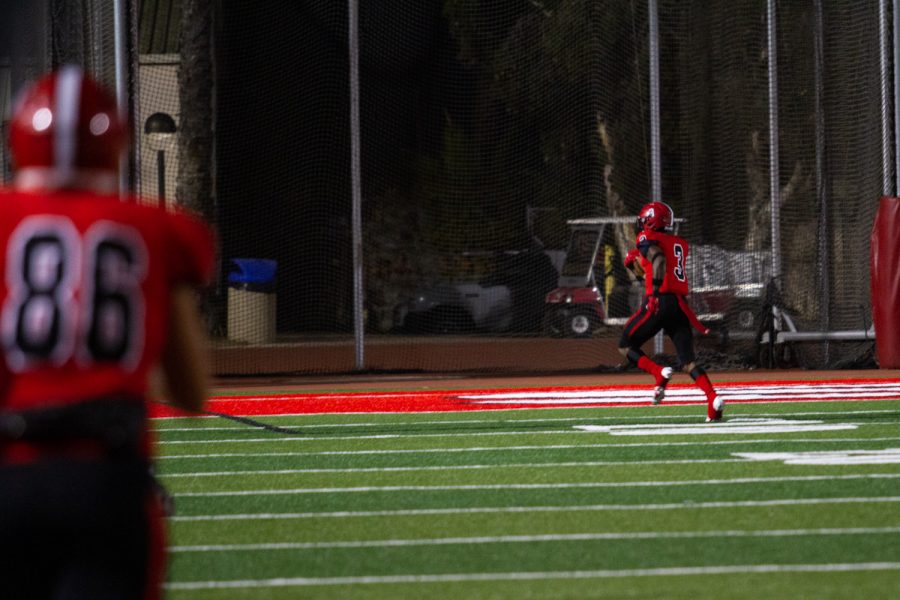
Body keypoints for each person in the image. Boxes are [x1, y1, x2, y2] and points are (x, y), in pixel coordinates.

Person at [0, 66, 214, 598]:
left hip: (12, 478)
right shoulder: (156, 228)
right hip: (107, 479)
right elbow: (191, 394)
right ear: (116, 146)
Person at [618, 201, 723, 422]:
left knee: (625, 344)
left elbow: (658, 259)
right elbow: (651, 271)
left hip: (660, 300)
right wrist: (634, 265)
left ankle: (658, 372)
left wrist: (654, 293)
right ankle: (713, 399)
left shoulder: (647, 239)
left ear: (650, 219)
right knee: (687, 362)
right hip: (679, 304)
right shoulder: (680, 243)